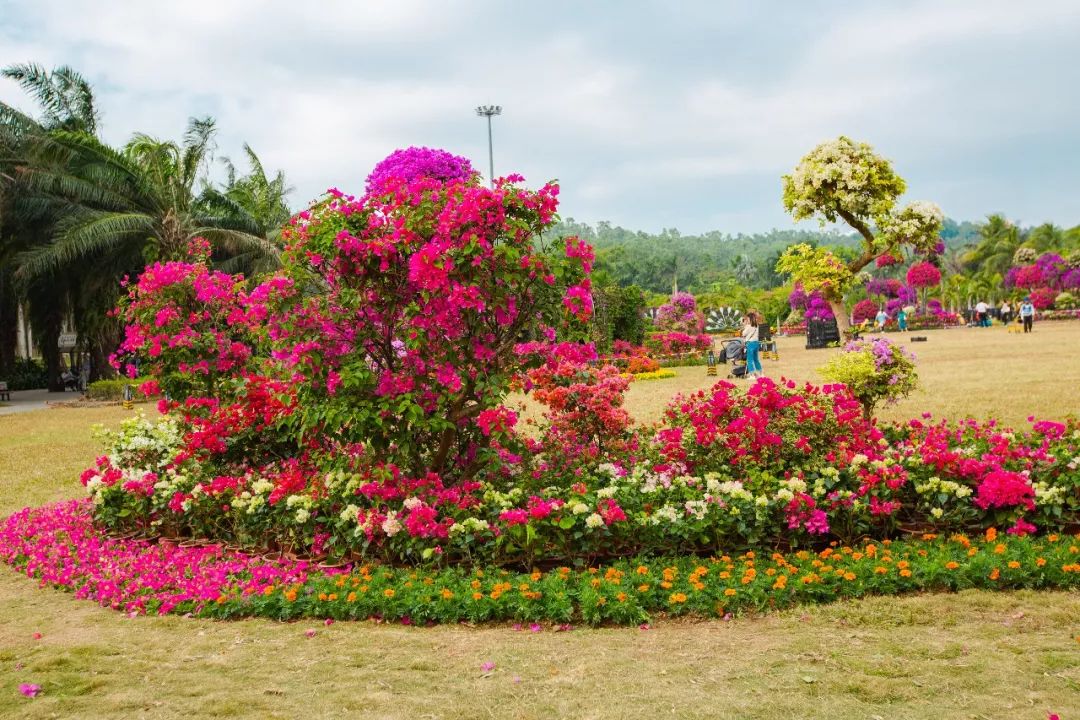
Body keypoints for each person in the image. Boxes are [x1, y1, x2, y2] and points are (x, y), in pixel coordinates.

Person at [741, 311, 762, 378]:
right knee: (756, 359)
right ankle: (761, 374)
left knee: (749, 360)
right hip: (756, 343)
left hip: (750, 344)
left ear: (750, 319)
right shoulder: (756, 326)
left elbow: (743, 334)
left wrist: (744, 325)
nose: (747, 320)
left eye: (747, 319)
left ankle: (752, 375)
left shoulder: (748, 326)